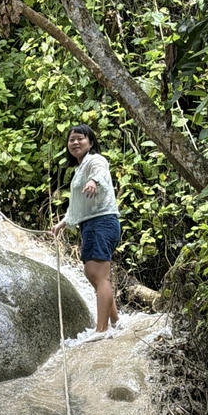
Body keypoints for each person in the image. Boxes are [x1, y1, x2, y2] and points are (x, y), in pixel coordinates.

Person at [51, 123, 120, 342]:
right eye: (71, 139)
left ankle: (102, 329)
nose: (75, 142)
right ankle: (116, 321)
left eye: (80, 138)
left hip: (102, 221)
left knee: (98, 274)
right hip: (90, 224)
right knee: (93, 274)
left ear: (90, 142)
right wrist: (62, 224)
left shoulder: (94, 160)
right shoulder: (79, 169)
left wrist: (93, 180)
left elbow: (101, 170)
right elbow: (78, 205)